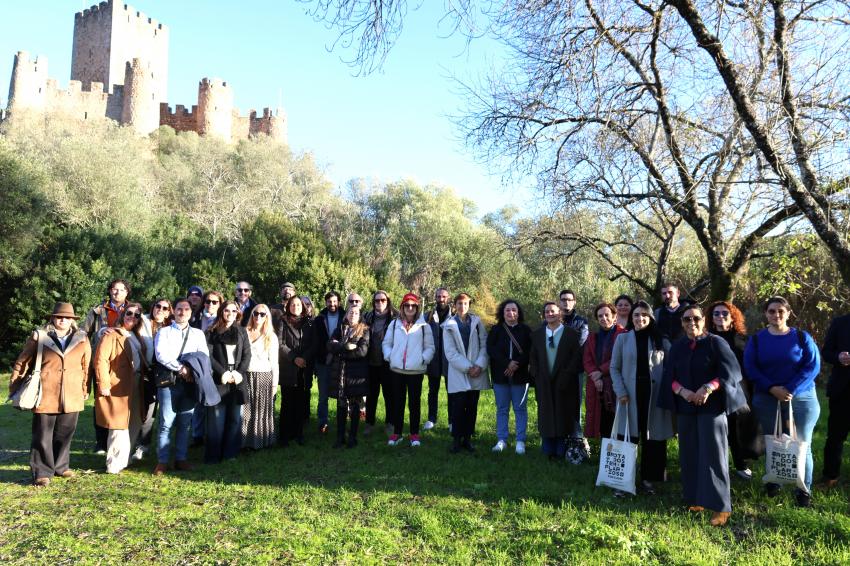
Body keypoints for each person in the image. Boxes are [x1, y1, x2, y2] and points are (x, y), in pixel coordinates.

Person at [659, 305, 748, 527]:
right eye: (687, 319)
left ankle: (721, 506)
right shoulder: (678, 347)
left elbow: (730, 372)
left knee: (714, 456)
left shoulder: (716, 343)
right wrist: (683, 391)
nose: (692, 323)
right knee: (689, 454)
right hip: (686, 407)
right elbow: (669, 376)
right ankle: (695, 499)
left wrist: (708, 388)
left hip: (712, 408)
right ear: (682, 323)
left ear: (703, 320)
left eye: (696, 318)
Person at [744, 296, 821, 507]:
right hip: (767, 398)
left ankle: (803, 490)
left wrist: (790, 389)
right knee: (773, 441)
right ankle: (774, 483)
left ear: (788, 313)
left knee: (802, 444)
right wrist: (772, 388)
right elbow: (750, 367)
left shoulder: (802, 337)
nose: (776, 315)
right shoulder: (757, 340)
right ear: (765, 313)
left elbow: (813, 366)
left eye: (781, 311)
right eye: (771, 311)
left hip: (802, 398)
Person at [10, 303, 90, 487]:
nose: (63, 320)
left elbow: (86, 366)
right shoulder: (39, 336)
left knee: (65, 432)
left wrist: (85, 388)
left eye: (67, 317)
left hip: (72, 392)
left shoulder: (82, 338)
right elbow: (23, 362)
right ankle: (42, 472)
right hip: (45, 393)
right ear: (53, 318)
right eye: (59, 317)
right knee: (42, 434)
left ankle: (61, 466)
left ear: (72, 320)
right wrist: (14, 385)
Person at [609, 300, 674, 494]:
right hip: (629, 396)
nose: (640, 318)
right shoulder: (622, 339)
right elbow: (614, 367)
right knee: (627, 437)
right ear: (631, 318)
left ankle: (648, 480)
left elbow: (671, 367)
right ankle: (623, 481)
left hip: (654, 396)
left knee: (653, 438)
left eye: (644, 314)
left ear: (650, 317)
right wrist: (620, 391)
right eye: (636, 315)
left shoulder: (660, 339)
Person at [706, 300, 762, 480]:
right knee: (716, 428)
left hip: (739, 388)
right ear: (711, 318)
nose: (720, 316)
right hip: (713, 389)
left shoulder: (744, 339)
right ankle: (718, 466)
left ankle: (740, 464)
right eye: (716, 313)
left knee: (737, 427)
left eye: (725, 313)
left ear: (732, 317)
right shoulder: (706, 338)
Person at [153, 298, 209, 475]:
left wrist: (191, 371)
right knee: (166, 423)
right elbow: (161, 354)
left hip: (190, 382)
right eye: (179, 309)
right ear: (173, 311)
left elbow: (203, 356)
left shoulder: (198, 334)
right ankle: (162, 461)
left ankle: (181, 459)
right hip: (169, 382)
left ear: (191, 313)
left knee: (185, 423)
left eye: (186, 309)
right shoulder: (164, 332)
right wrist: (181, 368)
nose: (182, 312)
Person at [94, 302, 148, 474]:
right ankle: (114, 463)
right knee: (118, 423)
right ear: (123, 315)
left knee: (135, 421)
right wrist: (104, 383)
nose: (132, 317)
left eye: (137, 315)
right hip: (117, 384)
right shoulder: (111, 334)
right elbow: (101, 360)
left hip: (137, 382)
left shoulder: (137, 336)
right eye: (129, 313)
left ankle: (124, 459)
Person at [81, 278, 130, 454]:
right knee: (101, 401)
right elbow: (83, 333)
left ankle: (120, 439)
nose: (118, 292)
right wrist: (100, 332)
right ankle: (101, 442)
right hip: (100, 361)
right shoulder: (97, 311)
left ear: (127, 292)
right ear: (110, 291)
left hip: (123, 363)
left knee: (122, 401)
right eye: (115, 289)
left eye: (122, 289)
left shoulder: (133, 310)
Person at [528, 301, 582, 460]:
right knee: (545, 414)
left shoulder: (571, 334)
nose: (550, 314)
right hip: (543, 381)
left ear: (560, 313)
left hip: (565, 381)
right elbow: (533, 357)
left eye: (553, 311)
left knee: (562, 414)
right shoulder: (537, 335)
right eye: (547, 312)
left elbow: (576, 358)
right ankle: (547, 449)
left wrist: (567, 375)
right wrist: (536, 375)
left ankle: (560, 450)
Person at [382, 292, 435, 447]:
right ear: (402, 307)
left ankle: (414, 434)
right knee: (398, 403)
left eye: (413, 305)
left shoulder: (424, 326)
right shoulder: (394, 324)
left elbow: (430, 347)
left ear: (417, 308)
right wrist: (390, 356)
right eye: (407, 305)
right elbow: (386, 343)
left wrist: (423, 359)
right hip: (397, 370)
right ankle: (397, 433)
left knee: (414, 404)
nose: (410, 308)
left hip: (416, 371)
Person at [205, 300, 251, 463]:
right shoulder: (211, 331)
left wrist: (238, 373)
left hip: (238, 379)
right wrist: (222, 372)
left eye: (234, 311)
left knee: (235, 418)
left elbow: (247, 355)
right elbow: (209, 356)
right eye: (227, 310)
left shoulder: (241, 331)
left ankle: (230, 453)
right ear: (221, 312)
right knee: (216, 420)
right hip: (219, 379)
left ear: (238, 313)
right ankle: (214, 455)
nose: (230, 313)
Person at [444, 293, 490, 453]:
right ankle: (456, 440)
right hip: (459, 371)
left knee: (472, 407)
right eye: (459, 303)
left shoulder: (477, 323)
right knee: (458, 407)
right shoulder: (449, 325)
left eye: (465, 303)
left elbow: (485, 345)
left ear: (469, 305)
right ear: (455, 305)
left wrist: (479, 365)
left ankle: (467, 439)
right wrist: (468, 368)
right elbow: (450, 352)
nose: (462, 306)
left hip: (477, 370)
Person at [486, 299, 531, 454]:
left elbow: (530, 351)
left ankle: (520, 441)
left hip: (521, 375)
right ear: (502, 313)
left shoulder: (526, 330)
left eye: (514, 310)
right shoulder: (496, 330)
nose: (511, 313)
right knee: (502, 409)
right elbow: (491, 349)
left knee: (520, 409)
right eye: (507, 310)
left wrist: (516, 363)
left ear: (518, 313)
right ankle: (502, 440)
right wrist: (507, 363)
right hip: (500, 375)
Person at [134, 298, 172, 462]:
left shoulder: (171, 327)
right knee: (145, 412)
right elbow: (123, 327)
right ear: (153, 307)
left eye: (165, 308)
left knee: (164, 413)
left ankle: (160, 447)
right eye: (158, 306)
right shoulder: (142, 321)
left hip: (165, 373)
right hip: (145, 372)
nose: (161, 310)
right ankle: (141, 445)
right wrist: (103, 331)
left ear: (169, 312)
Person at [583, 302, 627, 441]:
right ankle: (605, 451)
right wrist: (595, 376)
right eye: (600, 316)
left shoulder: (623, 334)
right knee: (601, 420)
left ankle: (619, 451)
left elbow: (620, 357)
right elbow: (587, 359)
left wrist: (601, 371)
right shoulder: (592, 337)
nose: (604, 318)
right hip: (597, 385)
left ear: (614, 316)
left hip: (617, 383)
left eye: (607, 315)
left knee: (617, 420)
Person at [328, 307, 371, 447]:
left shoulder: (364, 330)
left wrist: (341, 351)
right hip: (341, 373)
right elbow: (330, 345)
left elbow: (362, 351)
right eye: (351, 312)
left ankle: (352, 437)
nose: (353, 315)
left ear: (360, 316)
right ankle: (340, 437)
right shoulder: (340, 329)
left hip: (355, 375)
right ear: (346, 315)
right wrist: (346, 346)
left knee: (355, 405)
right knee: (341, 405)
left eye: (356, 313)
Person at [278, 296, 314, 446]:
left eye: (298, 304)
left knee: (301, 403)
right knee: (287, 403)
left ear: (303, 306)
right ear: (288, 306)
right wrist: (294, 358)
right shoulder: (282, 321)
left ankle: (299, 434)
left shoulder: (309, 323)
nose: (295, 307)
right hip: (288, 367)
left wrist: (304, 358)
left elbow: (313, 344)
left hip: (304, 368)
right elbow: (280, 344)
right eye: (293, 304)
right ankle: (284, 436)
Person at [242, 303, 280, 449]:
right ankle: (244, 442)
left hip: (264, 377)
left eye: (262, 314)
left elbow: (274, 363)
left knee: (261, 411)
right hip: (245, 376)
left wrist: (274, 385)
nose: (258, 316)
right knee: (246, 411)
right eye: (256, 313)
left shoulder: (271, 337)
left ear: (267, 317)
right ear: (252, 315)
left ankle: (261, 441)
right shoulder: (243, 332)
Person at [190, 290, 224, 446]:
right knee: (199, 400)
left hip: (218, 364)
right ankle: (197, 435)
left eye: (214, 302)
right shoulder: (195, 319)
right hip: (198, 363)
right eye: (208, 301)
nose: (210, 304)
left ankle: (213, 434)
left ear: (220, 304)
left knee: (215, 402)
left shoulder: (223, 320)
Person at [821, 310, 850, 487]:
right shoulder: (840, 322)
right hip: (842, 390)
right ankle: (830, 477)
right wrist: (838, 357)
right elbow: (826, 352)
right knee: (835, 437)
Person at [559, 289, 590, 452]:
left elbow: (580, 344)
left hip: (575, 370)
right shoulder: (553, 319)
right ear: (559, 302)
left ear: (574, 302)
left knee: (575, 405)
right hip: (556, 371)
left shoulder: (582, 322)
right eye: (563, 299)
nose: (566, 302)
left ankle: (576, 441)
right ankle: (560, 438)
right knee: (558, 403)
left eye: (569, 299)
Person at [363, 290, 397, 435]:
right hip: (371, 362)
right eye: (377, 300)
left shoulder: (395, 318)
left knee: (389, 395)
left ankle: (390, 423)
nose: (380, 303)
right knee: (371, 395)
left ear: (388, 301)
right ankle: (369, 423)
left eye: (383, 300)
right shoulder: (367, 317)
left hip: (388, 363)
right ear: (373, 303)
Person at [313, 291, 343, 433]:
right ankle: (322, 422)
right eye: (329, 301)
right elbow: (316, 341)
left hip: (340, 360)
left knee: (341, 394)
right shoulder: (319, 319)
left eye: (335, 301)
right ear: (325, 302)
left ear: (339, 302)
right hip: (323, 361)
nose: (332, 304)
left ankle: (341, 422)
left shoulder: (345, 317)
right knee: (323, 395)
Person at [424, 287, 452, 431]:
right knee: (432, 391)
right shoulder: (428, 316)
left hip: (450, 360)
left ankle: (452, 421)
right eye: (438, 296)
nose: (441, 299)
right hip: (433, 360)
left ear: (448, 298)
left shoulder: (454, 316)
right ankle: (431, 419)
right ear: (435, 298)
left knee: (451, 392)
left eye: (444, 296)